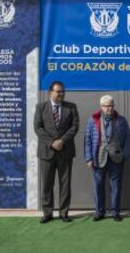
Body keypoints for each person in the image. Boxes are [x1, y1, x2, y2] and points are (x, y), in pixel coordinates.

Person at [34, 81, 79, 223]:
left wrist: (62, 141)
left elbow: (75, 126)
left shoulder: (71, 107)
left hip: (65, 151)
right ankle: (47, 213)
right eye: (58, 91)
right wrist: (52, 142)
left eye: (62, 91)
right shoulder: (41, 107)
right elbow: (38, 128)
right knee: (47, 184)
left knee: (65, 184)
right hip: (47, 152)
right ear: (50, 92)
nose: (61, 94)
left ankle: (64, 213)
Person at [84, 95, 130, 222]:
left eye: (111, 105)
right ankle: (99, 212)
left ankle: (115, 212)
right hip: (98, 158)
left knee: (115, 185)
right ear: (101, 107)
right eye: (107, 106)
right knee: (98, 185)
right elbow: (87, 139)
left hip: (116, 158)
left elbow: (127, 138)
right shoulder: (93, 120)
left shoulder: (121, 120)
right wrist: (88, 158)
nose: (110, 108)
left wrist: (125, 155)